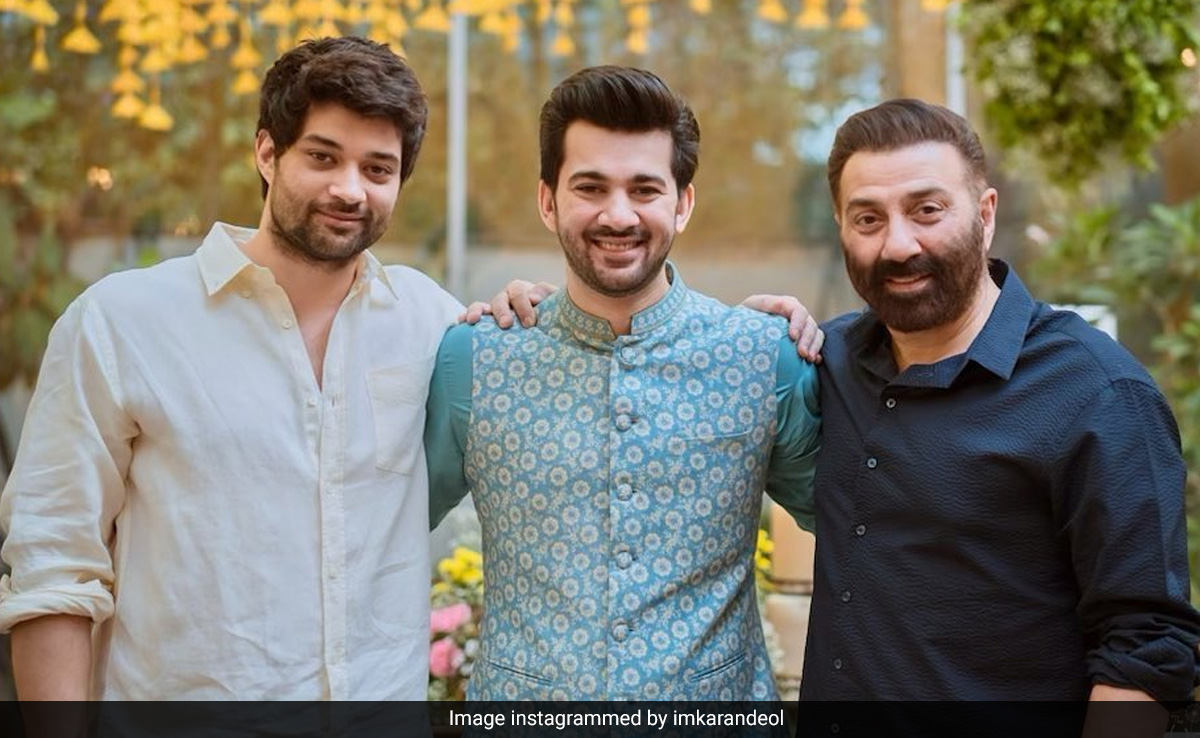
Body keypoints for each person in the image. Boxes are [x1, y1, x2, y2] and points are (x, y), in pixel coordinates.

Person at [0, 36, 462, 701]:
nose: (349, 189)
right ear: (267, 153)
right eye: (323, 157)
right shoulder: (121, 323)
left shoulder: (433, 321)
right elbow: (52, 565)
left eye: (377, 169)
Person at [791, 98, 1199, 735]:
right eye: (867, 218)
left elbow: (1145, 645)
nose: (898, 245)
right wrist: (746, 340)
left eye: (927, 210)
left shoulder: (1097, 392)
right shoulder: (829, 359)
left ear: (984, 216)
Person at [424, 65, 822, 701]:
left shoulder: (762, 356)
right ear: (548, 200)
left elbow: (864, 528)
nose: (618, 214)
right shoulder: (473, 359)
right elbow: (377, 527)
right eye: (590, 187)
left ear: (682, 203)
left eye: (644, 189)